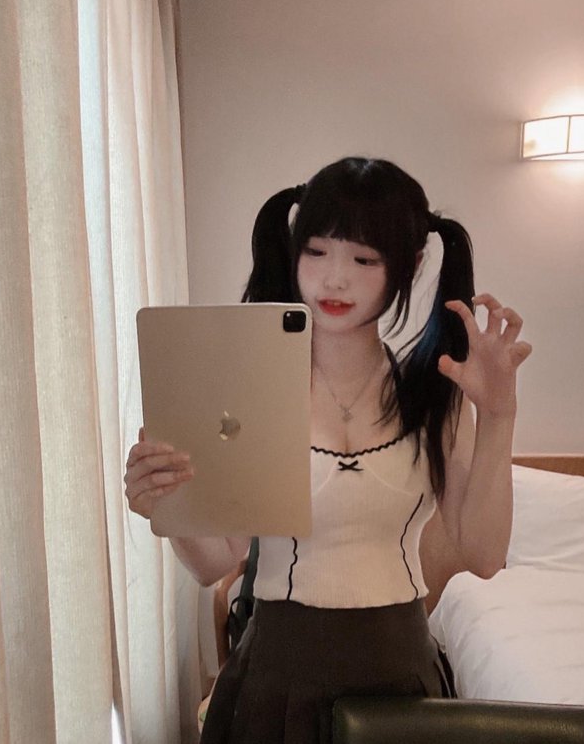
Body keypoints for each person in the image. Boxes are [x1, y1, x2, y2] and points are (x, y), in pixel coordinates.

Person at [124, 157, 532, 743]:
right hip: (277, 674)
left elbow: (484, 554)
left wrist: (498, 415)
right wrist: (167, 505)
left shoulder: (435, 395)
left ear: (412, 263)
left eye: (364, 260)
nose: (334, 279)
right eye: (316, 252)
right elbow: (217, 561)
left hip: (401, 674)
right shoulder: (252, 387)